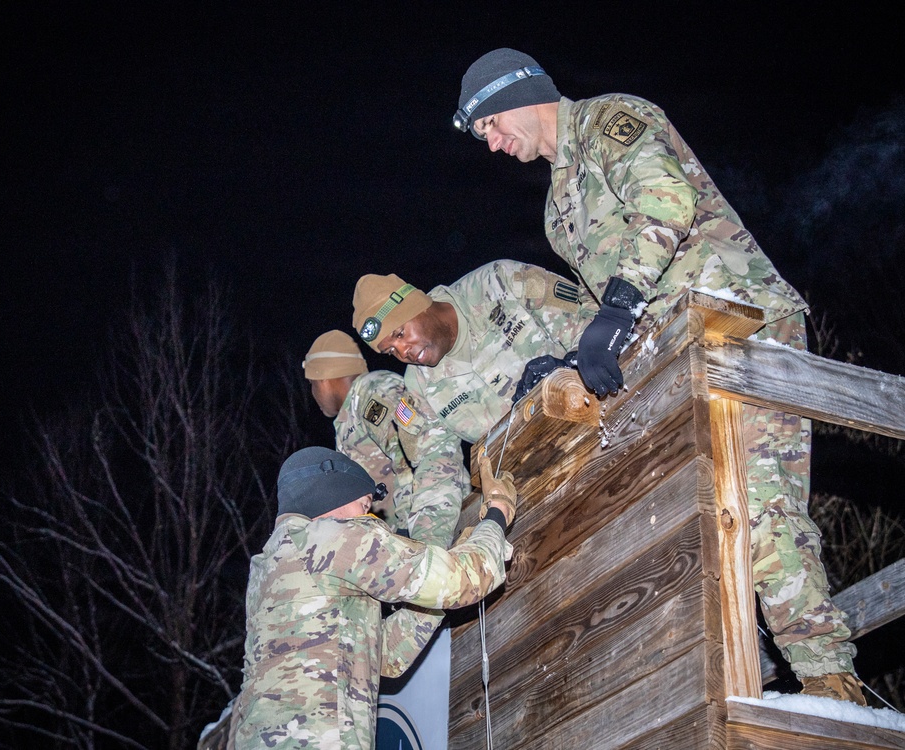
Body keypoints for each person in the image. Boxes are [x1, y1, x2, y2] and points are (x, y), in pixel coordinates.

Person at [451, 48, 866, 704]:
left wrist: (617, 307)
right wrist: (570, 353)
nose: (495, 147)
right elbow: (600, 298)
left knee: (761, 504)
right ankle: (748, 683)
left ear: (517, 97)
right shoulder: (557, 211)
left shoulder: (613, 119)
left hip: (741, 319)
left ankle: (832, 683)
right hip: (676, 350)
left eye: (493, 129)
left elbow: (666, 204)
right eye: (485, 140)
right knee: (703, 514)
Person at [227, 446, 517, 749]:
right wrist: (497, 512)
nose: (366, 516)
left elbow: (383, 656)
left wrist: (433, 599)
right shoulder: (329, 539)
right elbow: (463, 580)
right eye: (364, 505)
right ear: (333, 492)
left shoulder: (270, 568)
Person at [352, 258, 592, 549]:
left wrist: (568, 369)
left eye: (400, 334)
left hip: (602, 419)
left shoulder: (499, 283)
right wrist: (428, 555)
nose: (404, 352)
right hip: (537, 487)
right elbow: (437, 473)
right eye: (391, 351)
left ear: (417, 304)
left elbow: (589, 323)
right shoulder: (418, 388)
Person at [302, 329, 414, 532]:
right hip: (399, 538)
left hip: (425, 526)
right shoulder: (347, 420)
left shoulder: (371, 390)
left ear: (323, 379)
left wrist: (411, 528)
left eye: (312, 384)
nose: (313, 393)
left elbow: (412, 452)